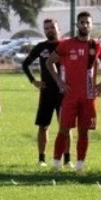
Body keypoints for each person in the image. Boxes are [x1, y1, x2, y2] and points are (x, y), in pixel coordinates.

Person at [46, 11, 101, 173]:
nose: (84, 25)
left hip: (89, 97)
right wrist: (60, 82)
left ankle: (80, 165)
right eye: (82, 22)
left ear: (92, 25)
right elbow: (49, 62)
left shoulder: (96, 46)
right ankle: (56, 164)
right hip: (70, 96)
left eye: (87, 22)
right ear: (77, 25)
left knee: (84, 131)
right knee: (63, 129)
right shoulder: (67, 45)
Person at [19, 19, 67, 166]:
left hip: (63, 92)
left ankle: (67, 159)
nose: (50, 30)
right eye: (46, 28)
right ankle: (41, 159)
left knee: (65, 126)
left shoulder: (65, 46)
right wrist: (34, 81)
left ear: (58, 28)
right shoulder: (41, 47)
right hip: (46, 92)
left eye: (52, 27)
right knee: (43, 126)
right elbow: (25, 64)